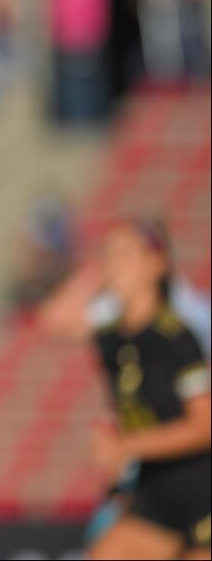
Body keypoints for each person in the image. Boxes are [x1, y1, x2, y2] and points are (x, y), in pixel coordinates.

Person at [85, 220, 211, 560]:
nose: (113, 265)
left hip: (203, 493)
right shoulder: (108, 340)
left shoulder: (177, 338)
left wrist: (126, 446)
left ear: (156, 263)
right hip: (156, 492)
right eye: (108, 255)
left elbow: (205, 426)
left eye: (124, 254)